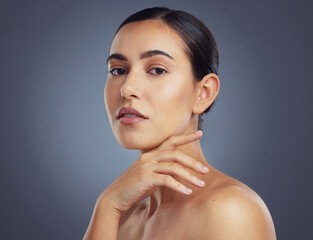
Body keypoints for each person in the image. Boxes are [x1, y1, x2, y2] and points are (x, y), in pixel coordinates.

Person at [83, 6, 276, 240]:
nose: (127, 88)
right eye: (118, 70)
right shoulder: (120, 218)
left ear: (203, 93)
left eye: (156, 69)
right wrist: (107, 203)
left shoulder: (231, 210)